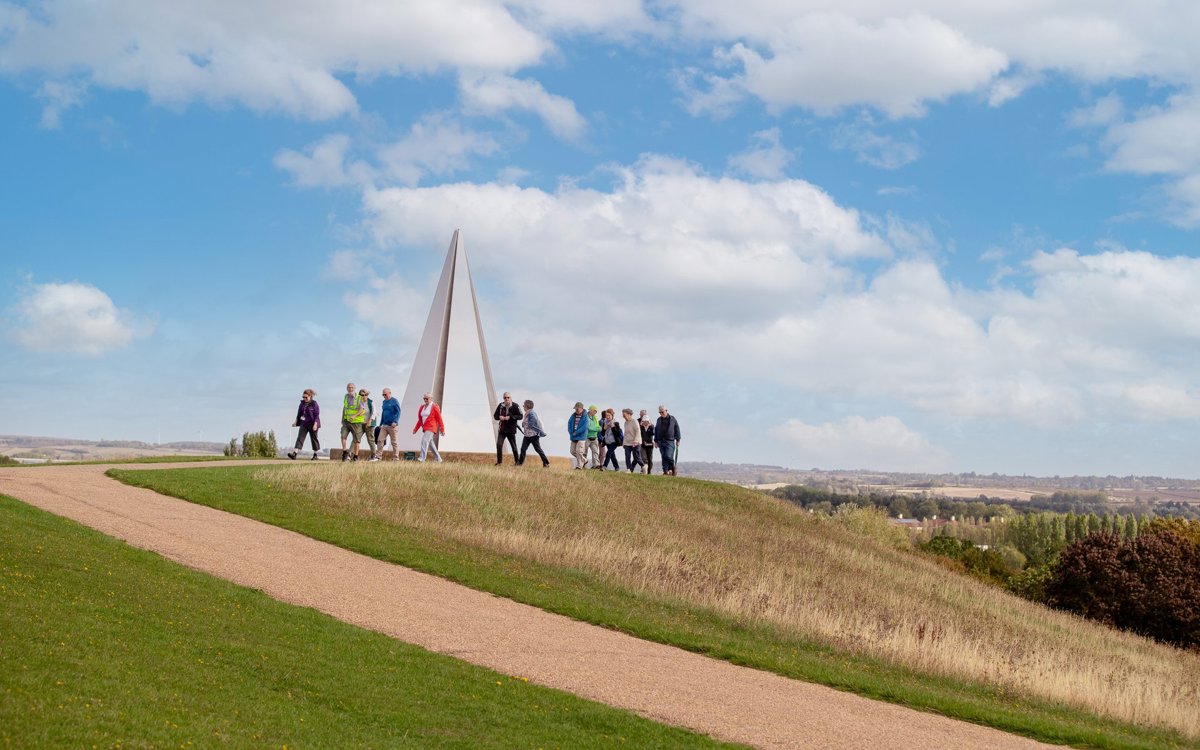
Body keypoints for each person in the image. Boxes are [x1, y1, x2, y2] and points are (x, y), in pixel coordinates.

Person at [288, 389, 321, 460]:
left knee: (314, 439)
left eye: (306, 397)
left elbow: (317, 415)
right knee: (300, 437)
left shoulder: (314, 404)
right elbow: (299, 413)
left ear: (310, 396)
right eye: (303, 397)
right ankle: (294, 454)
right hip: (304, 423)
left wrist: (315, 424)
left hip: (313, 424)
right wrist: (295, 422)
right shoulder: (302, 404)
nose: (304, 398)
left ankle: (315, 455)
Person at [412, 392, 445, 462]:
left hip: (431, 427)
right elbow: (420, 420)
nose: (425, 400)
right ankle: (438, 458)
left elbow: (439, 419)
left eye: (427, 398)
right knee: (431, 444)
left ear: (431, 399)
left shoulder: (434, 407)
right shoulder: (422, 407)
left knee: (424, 440)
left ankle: (422, 458)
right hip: (425, 428)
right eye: (424, 398)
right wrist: (415, 429)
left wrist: (442, 429)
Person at [517, 399, 550, 467]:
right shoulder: (527, 413)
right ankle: (520, 463)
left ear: (527, 406)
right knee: (523, 449)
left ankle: (546, 463)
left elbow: (534, 419)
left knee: (538, 449)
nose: (523, 407)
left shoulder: (531, 413)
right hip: (527, 435)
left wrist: (528, 424)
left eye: (524, 405)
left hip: (533, 435)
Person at [340, 382, 367, 461]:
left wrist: (354, 416)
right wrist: (342, 419)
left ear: (355, 389)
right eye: (349, 387)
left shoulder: (359, 398)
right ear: (347, 388)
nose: (350, 389)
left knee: (356, 441)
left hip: (356, 422)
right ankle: (345, 452)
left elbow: (362, 409)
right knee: (343, 436)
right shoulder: (345, 396)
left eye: (352, 387)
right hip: (346, 421)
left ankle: (355, 456)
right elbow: (345, 408)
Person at [493, 392, 522, 465]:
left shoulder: (515, 405)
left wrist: (510, 417)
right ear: (503, 398)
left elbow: (520, 416)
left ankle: (517, 463)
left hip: (511, 430)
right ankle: (499, 463)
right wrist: (499, 417)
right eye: (505, 398)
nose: (506, 399)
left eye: (508, 397)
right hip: (502, 430)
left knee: (514, 447)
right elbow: (495, 416)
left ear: (510, 398)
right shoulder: (500, 405)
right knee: (499, 445)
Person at [374, 387, 400, 460]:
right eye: (383, 395)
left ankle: (396, 457)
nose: (384, 396)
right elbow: (383, 413)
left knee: (394, 442)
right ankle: (378, 456)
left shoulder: (395, 401)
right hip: (384, 425)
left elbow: (398, 412)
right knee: (380, 440)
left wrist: (395, 421)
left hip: (392, 425)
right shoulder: (384, 402)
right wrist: (381, 423)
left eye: (385, 394)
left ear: (390, 393)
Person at [654, 405, 681, 476]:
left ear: (666, 411)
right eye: (660, 412)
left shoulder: (672, 419)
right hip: (660, 441)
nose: (661, 413)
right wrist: (655, 441)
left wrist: (678, 440)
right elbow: (656, 430)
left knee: (668, 456)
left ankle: (673, 467)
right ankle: (665, 471)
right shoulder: (658, 420)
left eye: (662, 412)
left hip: (670, 441)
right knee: (663, 456)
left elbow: (677, 429)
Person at [621, 408, 644, 473]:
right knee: (627, 456)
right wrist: (624, 443)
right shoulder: (625, 423)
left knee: (636, 457)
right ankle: (628, 469)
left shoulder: (634, 421)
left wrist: (636, 440)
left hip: (635, 442)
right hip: (627, 443)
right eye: (623, 415)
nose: (623, 417)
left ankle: (643, 466)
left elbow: (637, 431)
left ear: (629, 414)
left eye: (624, 415)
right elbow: (625, 434)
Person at [567, 402, 588, 469]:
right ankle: (584, 460)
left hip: (581, 436)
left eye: (577, 409)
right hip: (573, 436)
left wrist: (577, 432)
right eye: (575, 409)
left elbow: (585, 426)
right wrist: (571, 432)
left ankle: (579, 466)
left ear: (581, 408)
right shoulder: (573, 416)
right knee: (572, 451)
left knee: (579, 451)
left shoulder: (586, 416)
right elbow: (569, 423)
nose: (576, 410)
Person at [361, 388, 377, 460]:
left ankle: (373, 455)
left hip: (369, 424)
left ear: (367, 395)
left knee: (370, 440)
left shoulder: (371, 402)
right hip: (361, 423)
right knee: (356, 439)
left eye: (365, 395)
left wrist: (370, 421)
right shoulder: (359, 403)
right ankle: (349, 455)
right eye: (362, 395)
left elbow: (374, 412)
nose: (364, 396)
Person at [585, 405, 602, 469]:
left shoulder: (595, 418)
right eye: (595, 411)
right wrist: (597, 429)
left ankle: (596, 465)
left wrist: (597, 428)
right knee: (584, 452)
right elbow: (588, 428)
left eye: (596, 411)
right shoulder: (585, 417)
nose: (596, 412)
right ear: (590, 410)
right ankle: (583, 465)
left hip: (594, 437)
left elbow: (598, 427)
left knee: (595, 452)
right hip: (587, 437)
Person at [639, 409, 655, 475]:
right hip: (643, 444)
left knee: (650, 459)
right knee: (643, 457)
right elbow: (639, 434)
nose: (645, 423)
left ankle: (649, 472)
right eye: (644, 421)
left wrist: (651, 426)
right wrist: (640, 426)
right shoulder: (641, 427)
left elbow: (653, 433)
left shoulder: (651, 427)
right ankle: (644, 469)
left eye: (646, 421)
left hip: (650, 445)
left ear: (648, 421)